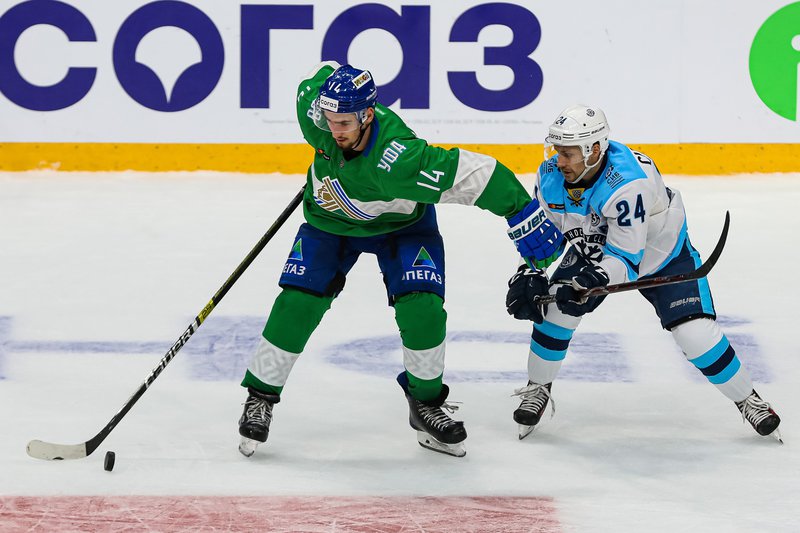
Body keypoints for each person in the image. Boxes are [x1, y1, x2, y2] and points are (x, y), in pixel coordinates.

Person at [236, 61, 562, 458]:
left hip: (403, 226)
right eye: (329, 119)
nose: (333, 130)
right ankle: (261, 396)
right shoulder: (314, 112)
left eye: (344, 123)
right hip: (327, 224)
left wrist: (521, 210)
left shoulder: (401, 161)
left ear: (367, 114)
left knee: (423, 309)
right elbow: (322, 73)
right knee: (297, 302)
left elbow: (478, 174)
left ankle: (425, 403)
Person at [505, 104, 782, 441]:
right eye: (557, 151)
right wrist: (530, 271)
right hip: (593, 251)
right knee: (554, 314)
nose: (558, 160)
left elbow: (625, 259)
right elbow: (546, 237)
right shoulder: (550, 176)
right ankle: (538, 387)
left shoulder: (628, 183)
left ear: (594, 150)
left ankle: (748, 400)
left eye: (567, 153)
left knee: (695, 335)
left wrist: (589, 281)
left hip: (662, 255)